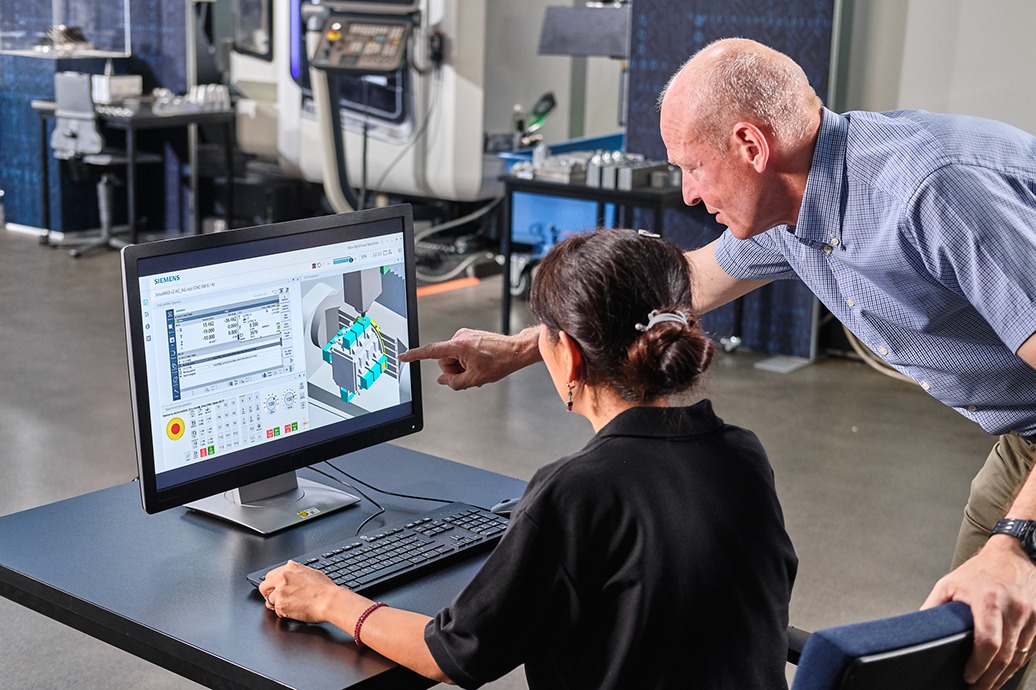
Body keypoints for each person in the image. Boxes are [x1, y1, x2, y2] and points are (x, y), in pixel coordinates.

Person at [399, 38, 1036, 690]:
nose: (689, 195)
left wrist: (1017, 542)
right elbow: (680, 287)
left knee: (997, 611)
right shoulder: (798, 203)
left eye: (694, 168)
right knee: (977, 656)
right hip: (1023, 432)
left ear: (752, 148)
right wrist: (524, 348)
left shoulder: (933, 195)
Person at [261, 228, 798, 689]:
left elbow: (453, 653)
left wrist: (330, 601)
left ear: (567, 354)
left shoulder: (577, 492)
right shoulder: (742, 453)